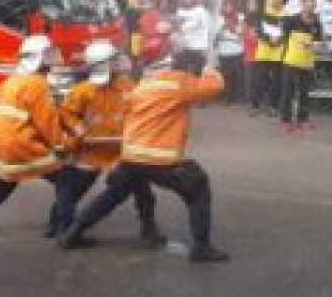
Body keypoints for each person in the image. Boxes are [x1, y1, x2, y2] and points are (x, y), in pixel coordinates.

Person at [58, 50, 228, 263]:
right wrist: (210, 68)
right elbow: (214, 87)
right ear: (191, 69)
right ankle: (201, 247)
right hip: (159, 158)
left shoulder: (147, 82)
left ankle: (72, 234)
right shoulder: (180, 82)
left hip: (131, 154)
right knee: (198, 187)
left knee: (114, 195)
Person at [53, 40, 164, 245]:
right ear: (103, 64)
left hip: (121, 152)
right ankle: (61, 227)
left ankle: (149, 228)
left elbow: (138, 109)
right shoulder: (82, 91)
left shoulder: (127, 85)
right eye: (113, 60)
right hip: (90, 150)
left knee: (143, 191)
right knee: (72, 189)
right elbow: (67, 115)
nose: (117, 62)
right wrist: (79, 130)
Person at [0, 35, 67, 236]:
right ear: (38, 59)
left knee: (8, 180)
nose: (51, 62)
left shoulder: (12, 81)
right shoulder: (37, 84)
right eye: (48, 57)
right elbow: (47, 122)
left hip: (1, 142)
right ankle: (60, 226)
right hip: (21, 144)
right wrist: (60, 146)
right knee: (65, 179)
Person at [280, 0, 322, 132]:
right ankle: (285, 120)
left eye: (313, 5)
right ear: (303, 5)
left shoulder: (317, 23)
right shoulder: (291, 20)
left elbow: (319, 41)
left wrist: (315, 45)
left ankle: (302, 119)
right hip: (291, 61)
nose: (311, 7)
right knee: (288, 91)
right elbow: (283, 36)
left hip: (307, 62)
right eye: (309, 4)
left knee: (304, 91)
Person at [251, 0, 285, 116]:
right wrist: (269, 39)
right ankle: (255, 106)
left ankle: (273, 106)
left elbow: (286, 32)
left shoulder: (285, 14)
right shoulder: (262, 13)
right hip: (264, 50)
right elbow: (259, 31)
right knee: (259, 78)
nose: (276, 0)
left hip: (278, 50)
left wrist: (279, 40)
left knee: (276, 80)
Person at [175, 0, 212, 75]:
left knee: (195, 78)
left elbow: (209, 30)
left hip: (197, 50)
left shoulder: (202, 11)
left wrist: (207, 49)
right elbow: (177, 29)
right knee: (181, 76)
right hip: (183, 50)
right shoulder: (179, 11)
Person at [216, 0, 245, 104]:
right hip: (224, 51)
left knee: (236, 76)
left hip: (237, 51)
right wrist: (222, 28)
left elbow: (242, 33)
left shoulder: (240, 17)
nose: (228, 8)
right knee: (226, 75)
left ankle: (235, 96)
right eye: (226, 6)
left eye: (230, 5)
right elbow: (216, 36)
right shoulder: (219, 18)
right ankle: (227, 97)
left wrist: (232, 27)